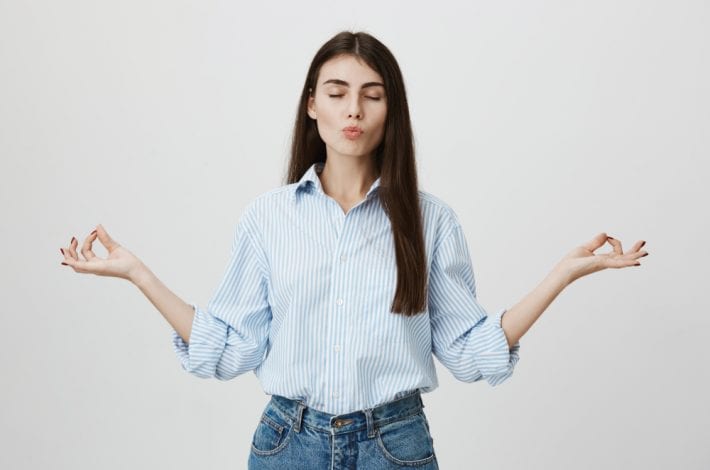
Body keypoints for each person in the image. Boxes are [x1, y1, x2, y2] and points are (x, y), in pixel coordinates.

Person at [59, 31, 649, 469]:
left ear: (391, 112)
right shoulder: (268, 218)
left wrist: (564, 274)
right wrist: (138, 273)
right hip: (287, 443)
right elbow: (229, 346)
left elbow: (470, 351)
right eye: (337, 93)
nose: (354, 110)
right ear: (311, 105)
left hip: (396, 445)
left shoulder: (429, 219)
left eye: (372, 95)